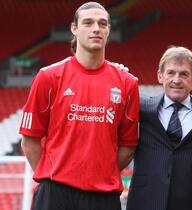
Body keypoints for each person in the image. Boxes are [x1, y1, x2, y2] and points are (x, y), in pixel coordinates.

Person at [19, 2, 139, 210]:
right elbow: (29, 140)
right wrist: (53, 176)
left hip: (103, 196)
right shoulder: (48, 77)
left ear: (108, 30)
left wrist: (98, 174)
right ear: (74, 28)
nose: (96, 29)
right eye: (88, 23)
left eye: (102, 24)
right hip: (55, 193)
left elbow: (128, 147)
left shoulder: (127, 83)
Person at [126, 46, 192, 210]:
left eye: (184, 74)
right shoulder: (141, 107)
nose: (177, 80)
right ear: (160, 76)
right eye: (171, 73)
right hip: (145, 204)